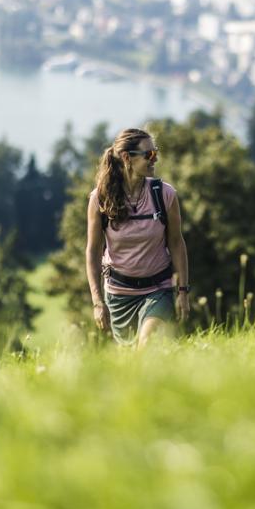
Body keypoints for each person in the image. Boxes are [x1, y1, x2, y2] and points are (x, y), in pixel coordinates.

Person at [85, 128, 190, 347]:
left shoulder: (165, 194)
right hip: (118, 295)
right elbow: (93, 251)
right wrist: (97, 302)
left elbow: (177, 243)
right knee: (132, 365)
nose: (155, 159)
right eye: (149, 154)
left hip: (158, 289)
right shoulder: (99, 199)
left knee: (148, 343)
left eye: (156, 152)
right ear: (127, 158)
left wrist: (182, 292)